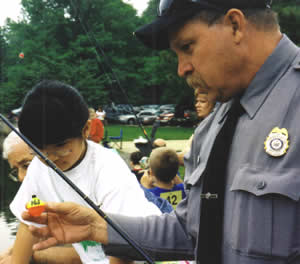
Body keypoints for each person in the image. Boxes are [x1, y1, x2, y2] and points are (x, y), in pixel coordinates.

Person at [22, 1, 300, 263]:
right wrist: (97, 226)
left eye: (187, 46)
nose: (181, 69)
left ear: (235, 25)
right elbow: (189, 231)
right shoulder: (213, 128)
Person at [10, 80, 161, 264]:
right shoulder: (39, 167)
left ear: (86, 129)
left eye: (60, 146)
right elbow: (29, 223)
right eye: (40, 150)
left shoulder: (108, 168)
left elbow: (123, 247)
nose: (51, 157)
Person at [1, 130, 82, 264]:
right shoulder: (38, 191)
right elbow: (30, 229)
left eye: (26, 165)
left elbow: (95, 254)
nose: (21, 177)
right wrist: (10, 252)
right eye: (16, 170)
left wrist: (33, 256)